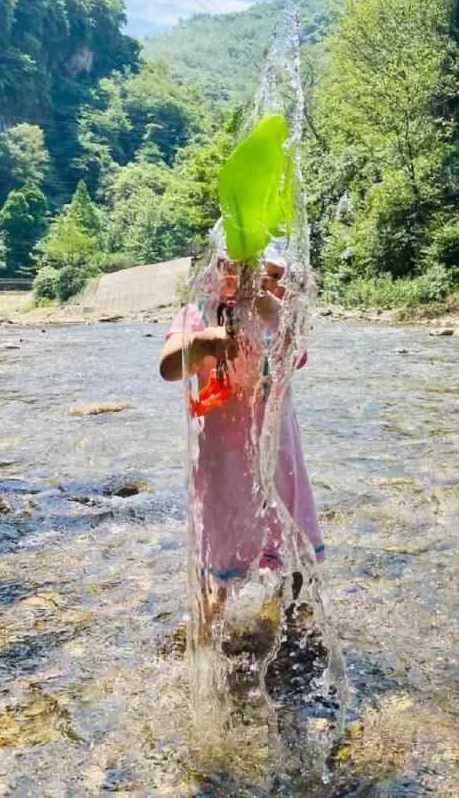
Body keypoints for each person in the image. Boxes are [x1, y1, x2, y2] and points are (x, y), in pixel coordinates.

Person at [158, 246, 323, 645]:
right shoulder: (197, 314)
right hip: (222, 460)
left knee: (290, 534)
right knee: (221, 541)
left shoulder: (276, 316)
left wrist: (274, 312)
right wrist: (198, 344)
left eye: (259, 273)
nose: (245, 281)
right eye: (234, 270)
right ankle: (209, 626)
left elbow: (295, 353)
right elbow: (167, 367)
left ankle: (292, 618)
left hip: (276, 451)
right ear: (215, 273)